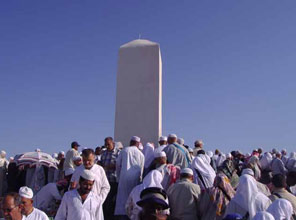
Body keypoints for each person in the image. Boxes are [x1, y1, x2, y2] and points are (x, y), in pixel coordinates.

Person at [70, 148, 110, 219]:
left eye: (89, 160)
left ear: (94, 158)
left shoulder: (99, 170)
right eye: (84, 160)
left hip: (95, 205)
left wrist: (100, 200)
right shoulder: (78, 170)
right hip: (80, 205)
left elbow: (106, 187)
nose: (87, 162)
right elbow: (72, 186)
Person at [115, 136, 145, 218]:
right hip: (135, 180)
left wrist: (118, 177)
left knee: (123, 200)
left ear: (131, 142)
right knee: (133, 199)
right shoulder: (141, 154)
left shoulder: (125, 150)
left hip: (124, 178)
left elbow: (118, 164)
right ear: (138, 144)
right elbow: (142, 169)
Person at [100, 136, 121, 220]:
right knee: (105, 201)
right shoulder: (103, 153)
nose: (107, 146)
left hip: (114, 180)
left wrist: (109, 167)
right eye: (105, 145)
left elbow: (119, 165)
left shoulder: (118, 153)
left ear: (113, 143)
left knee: (112, 200)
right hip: (105, 180)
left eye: (108, 144)